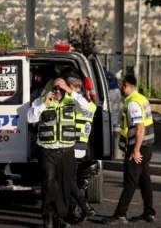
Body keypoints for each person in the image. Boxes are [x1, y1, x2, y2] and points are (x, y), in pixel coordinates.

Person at [27, 76, 93, 228]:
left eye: (60, 88)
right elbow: (30, 118)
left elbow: (87, 107)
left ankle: (60, 218)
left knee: (64, 186)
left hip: (66, 151)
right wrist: (44, 104)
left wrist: (70, 91)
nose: (57, 91)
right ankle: (48, 218)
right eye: (55, 88)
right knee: (49, 185)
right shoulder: (40, 101)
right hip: (47, 151)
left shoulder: (72, 101)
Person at [103, 74, 156, 225]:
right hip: (146, 146)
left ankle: (120, 214)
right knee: (144, 180)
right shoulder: (141, 98)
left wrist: (136, 150)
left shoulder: (133, 103)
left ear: (126, 85)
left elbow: (140, 128)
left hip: (138, 147)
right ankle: (149, 213)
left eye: (121, 84)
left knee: (130, 181)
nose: (120, 87)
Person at [67, 76, 97, 224]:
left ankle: (84, 207)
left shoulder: (78, 103)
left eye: (67, 87)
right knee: (71, 179)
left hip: (72, 146)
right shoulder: (91, 104)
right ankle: (73, 210)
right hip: (81, 146)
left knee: (69, 180)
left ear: (72, 86)